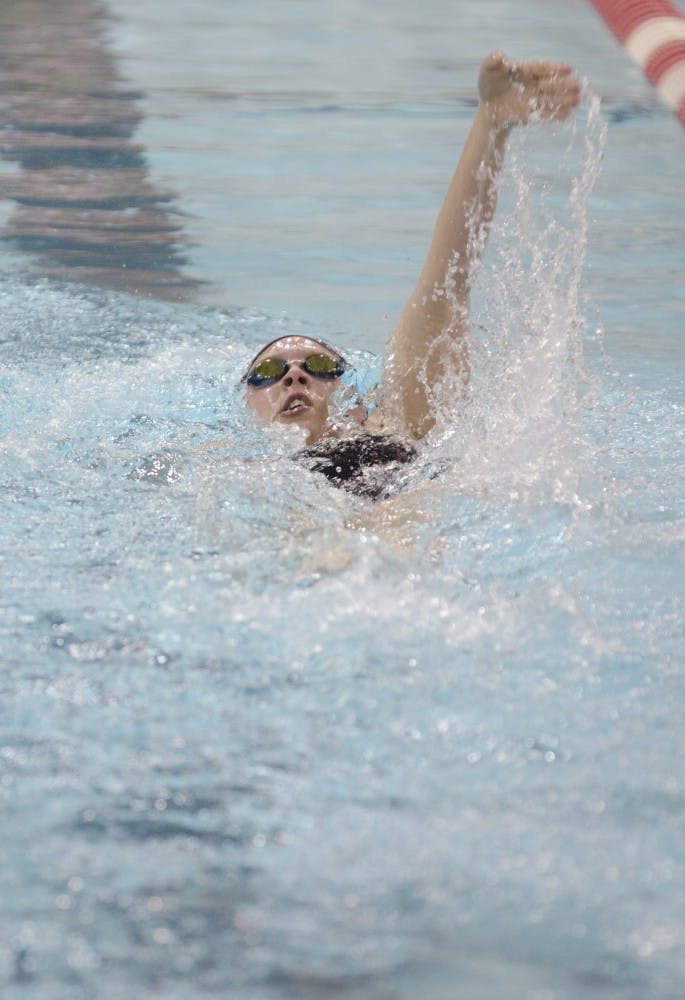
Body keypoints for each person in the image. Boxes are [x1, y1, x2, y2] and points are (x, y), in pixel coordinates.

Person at [242, 52, 581, 498]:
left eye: (322, 366)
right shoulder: (237, 473)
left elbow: (447, 281)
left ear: (353, 397)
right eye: (267, 372)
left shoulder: (400, 425)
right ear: (246, 406)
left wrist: (492, 124)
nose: (295, 377)